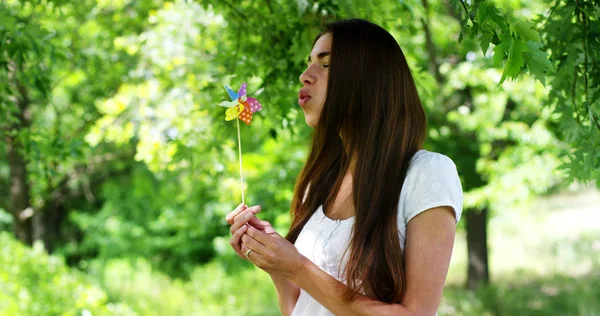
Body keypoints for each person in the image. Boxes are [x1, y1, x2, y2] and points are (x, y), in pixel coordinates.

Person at [226, 18, 463, 316]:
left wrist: (297, 267)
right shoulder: (322, 183)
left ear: (369, 79)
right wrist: (275, 264)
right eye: (309, 63)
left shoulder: (426, 174)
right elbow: (302, 310)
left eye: (325, 65)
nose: (304, 76)